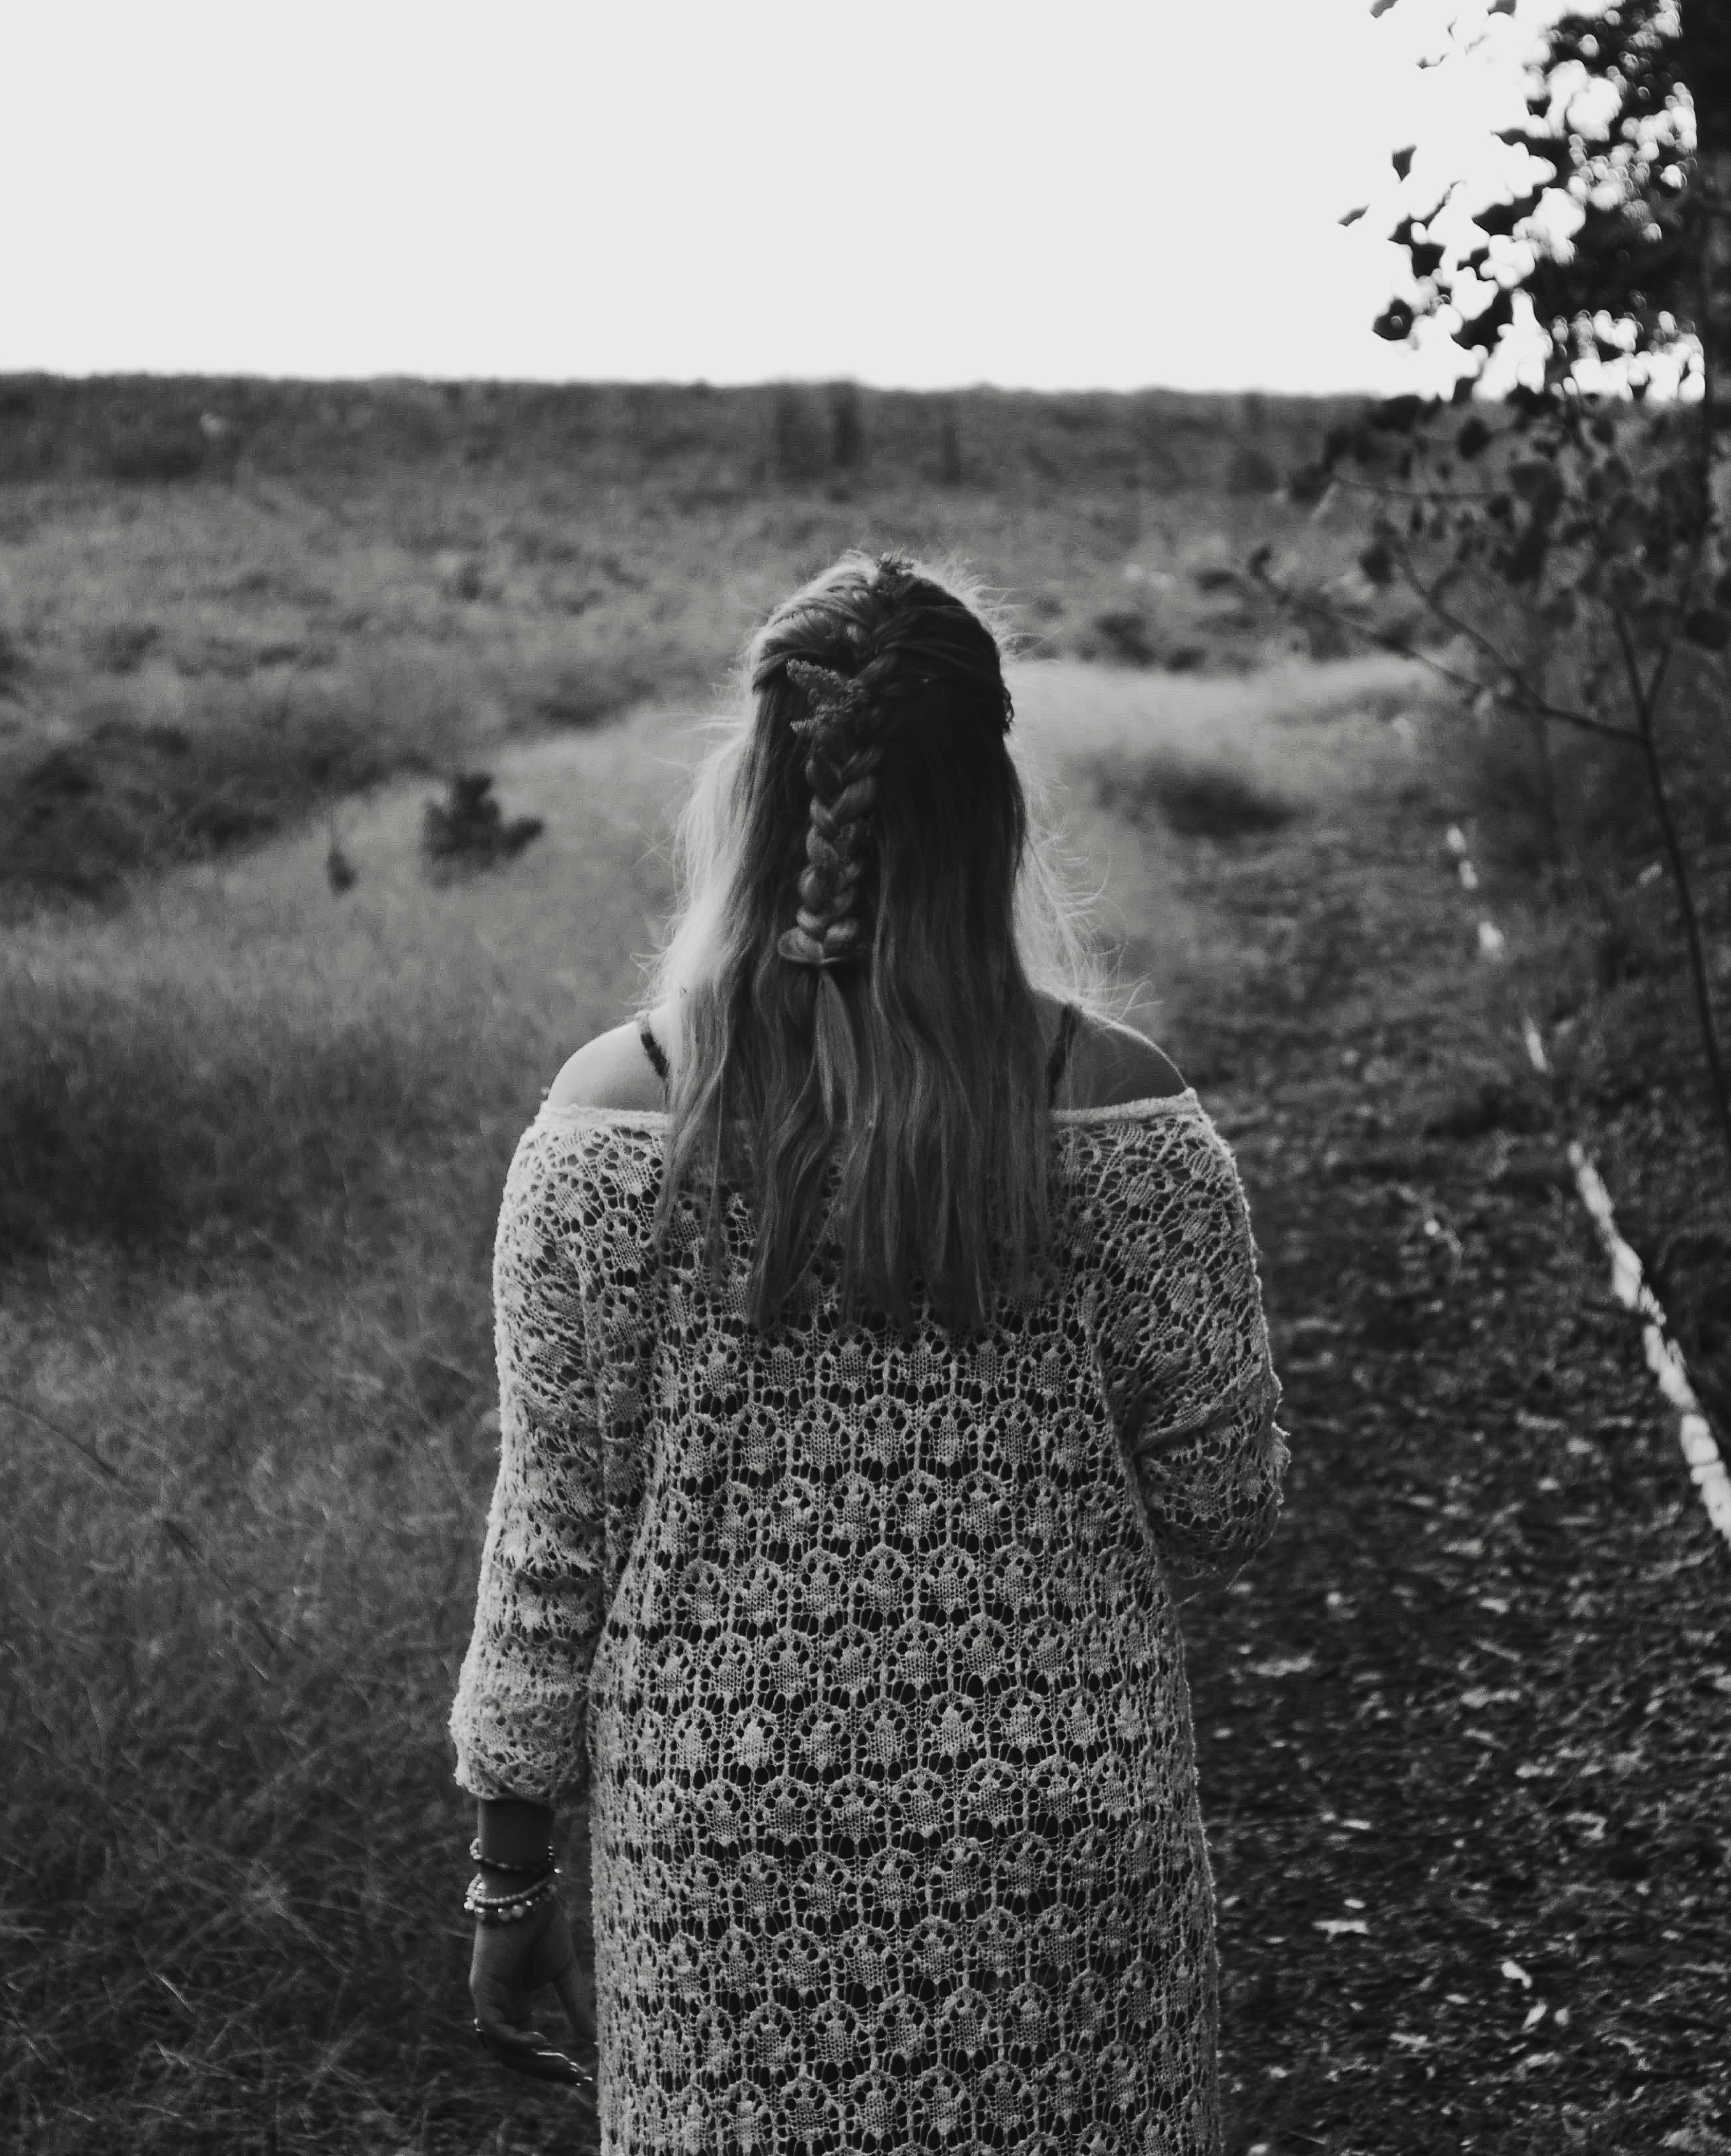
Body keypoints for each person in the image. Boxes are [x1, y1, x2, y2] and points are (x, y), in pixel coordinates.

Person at [448, 552, 1289, 2156]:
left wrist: (508, 1881)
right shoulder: (1125, 1110)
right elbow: (1227, 1498)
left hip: (724, 1852)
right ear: (991, 806)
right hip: (1063, 1831)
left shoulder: (604, 1121)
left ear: (751, 792)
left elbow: (551, 1544)